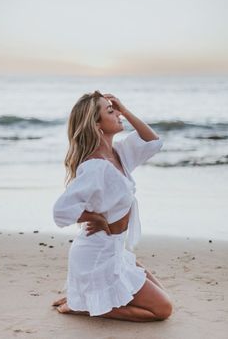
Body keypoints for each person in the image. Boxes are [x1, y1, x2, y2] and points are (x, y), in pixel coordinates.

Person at [52, 91, 173, 322]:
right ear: (96, 124)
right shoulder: (95, 166)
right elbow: (60, 212)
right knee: (163, 309)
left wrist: (125, 109)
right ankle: (81, 306)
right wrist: (96, 219)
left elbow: (154, 142)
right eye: (110, 111)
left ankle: (81, 299)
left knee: (163, 295)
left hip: (115, 252)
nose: (117, 114)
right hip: (97, 256)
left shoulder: (118, 154)